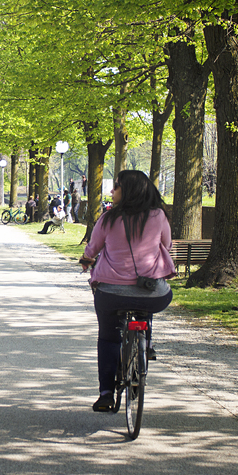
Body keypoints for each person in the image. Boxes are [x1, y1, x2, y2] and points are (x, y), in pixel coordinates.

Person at [79, 170, 175, 413]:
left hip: (111, 294)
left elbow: (93, 248)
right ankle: (147, 341)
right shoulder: (159, 216)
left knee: (108, 337)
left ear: (128, 190)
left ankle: (105, 394)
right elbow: (167, 245)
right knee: (145, 305)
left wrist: (86, 260)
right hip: (152, 293)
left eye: (117, 186)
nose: (112, 191)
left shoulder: (109, 219)